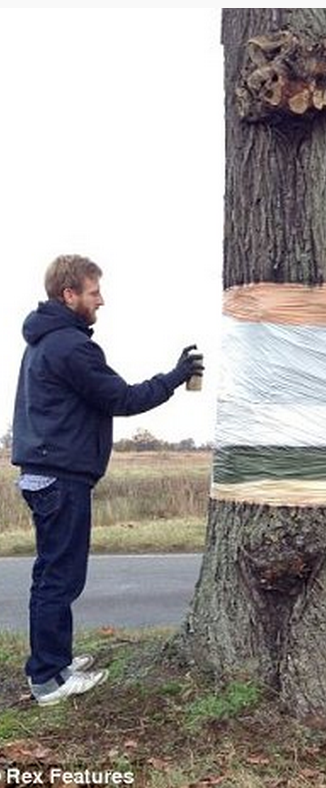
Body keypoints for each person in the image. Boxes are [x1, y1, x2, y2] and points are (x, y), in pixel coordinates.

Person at [11, 254, 204, 706]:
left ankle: (54, 662)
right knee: (59, 579)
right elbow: (122, 398)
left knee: (53, 575)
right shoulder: (69, 346)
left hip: (47, 473)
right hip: (59, 478)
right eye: (95, 292)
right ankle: (47, 680)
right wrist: (174, 377)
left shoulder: (45, 342)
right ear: (69, 294)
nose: (102, 300)